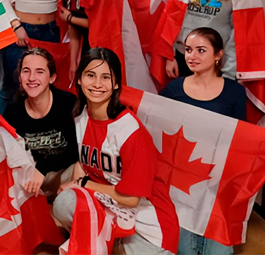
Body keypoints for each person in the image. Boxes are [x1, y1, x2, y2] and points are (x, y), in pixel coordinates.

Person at [159, 27, 265, 255]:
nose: (192, 56)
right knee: (185, 250)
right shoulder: (173, 89)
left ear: (218, 55)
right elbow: (154, 124)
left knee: (219, 251)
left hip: (218, 182)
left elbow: (241, 137)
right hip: (181, 184)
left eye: (201, 50)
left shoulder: (233, 92)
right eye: (189, 50)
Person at [52, 48, 179, 254]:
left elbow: (131, 199)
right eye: (90, 75)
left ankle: (112, 242)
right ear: (79, 79)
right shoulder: (80, 117)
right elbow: (82, 165)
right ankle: (106, 239)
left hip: (148, 222)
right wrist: (78, 187)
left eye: (106, 77)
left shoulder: (130, 131)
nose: (97, 84)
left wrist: (83, 184)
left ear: (116, 83)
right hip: (109, 206)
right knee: (64, 202)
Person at [2, 48, 78, 201]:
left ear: (52, 78)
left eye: (40, 72)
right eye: (26, 71)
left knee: (80, 168)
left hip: (63, 175)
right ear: (20, 76)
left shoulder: (68, 104)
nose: (31, 78)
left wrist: (43, 167)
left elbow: (77, 151)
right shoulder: (12, 111)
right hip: (29, 180)